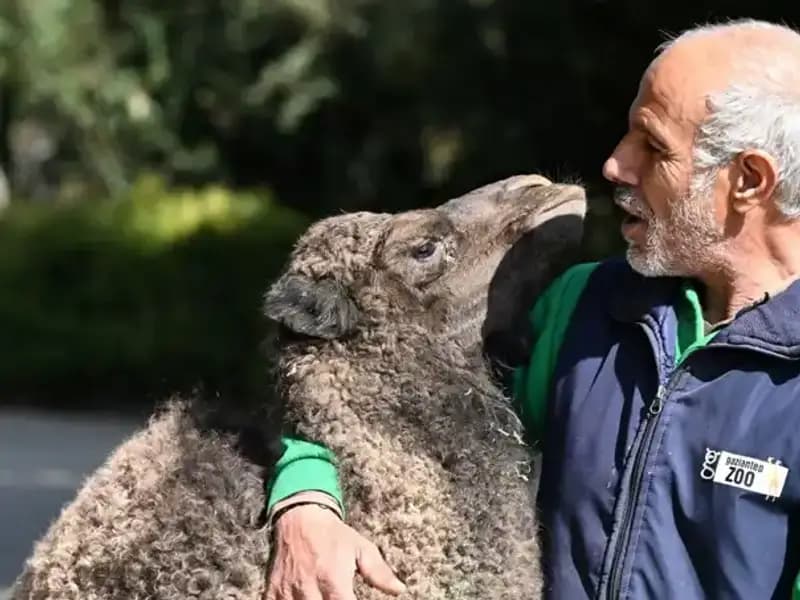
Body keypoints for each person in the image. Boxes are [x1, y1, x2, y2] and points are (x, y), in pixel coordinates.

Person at [264, 18, 800, 599]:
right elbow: (366, 398)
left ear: (748, 179)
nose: (615, 165)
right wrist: (307, 497)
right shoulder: (584, 307)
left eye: (653, 146)